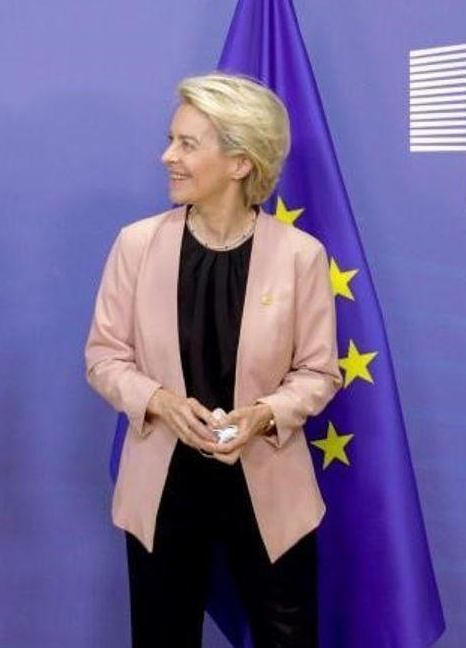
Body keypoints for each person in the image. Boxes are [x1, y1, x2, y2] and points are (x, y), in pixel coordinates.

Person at [84, 72, 340, 647]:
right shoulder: (136, 244)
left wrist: (262, 414)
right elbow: (104, 356)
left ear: (241, 162)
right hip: (163, 486)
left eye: (186, 144)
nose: (166, 155)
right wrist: (160, 403)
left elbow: (319, 372)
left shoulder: (301, 257)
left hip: (271, 488)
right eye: (172, 139)